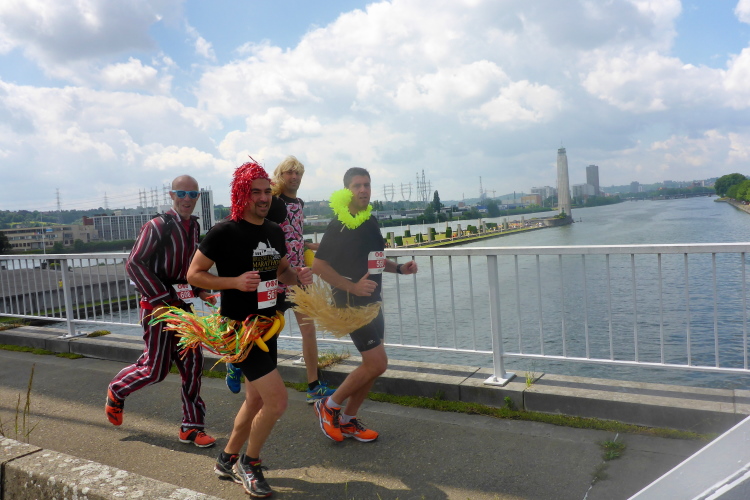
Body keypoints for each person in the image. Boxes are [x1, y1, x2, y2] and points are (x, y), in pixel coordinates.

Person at [187, 160, 312, 498]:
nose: (263, 197)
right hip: (239, 331)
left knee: (256, 399)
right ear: (241, 194)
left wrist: (297, 276)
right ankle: (249, 463)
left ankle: (226, 459)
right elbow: (194, 274)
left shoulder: (273, 231)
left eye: (266, 191)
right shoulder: (224, 232)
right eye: (255, 192)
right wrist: (234, 282)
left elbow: (282, 271)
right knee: (277, 401)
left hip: (267, 327)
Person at [105, 175, 217, 448]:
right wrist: (159, 300)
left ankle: (192, 427)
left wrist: (201, 291)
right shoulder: (157, 226)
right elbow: (134, 263)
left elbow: (188, 268)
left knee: (193, 366)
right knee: (155, 369)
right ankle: (117, 389)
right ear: (172, 195)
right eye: (182, 193)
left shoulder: (194, 227)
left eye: (193, 194)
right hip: (157, 309)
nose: (187, 199)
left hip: (183, 308)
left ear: (198, 197)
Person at [312, 167, 418, 443]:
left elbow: (375, 260)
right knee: (377, 363)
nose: (363, 190)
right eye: (357, 185)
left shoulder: (370, 221)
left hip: (373, 303)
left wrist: (400, 269)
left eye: (367, 185)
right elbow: (319, 265)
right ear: (347, 191)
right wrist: (353, 287)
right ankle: (329, 406)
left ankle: (348, 420)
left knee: (372, 366)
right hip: (350, 304)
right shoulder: (340, 225)